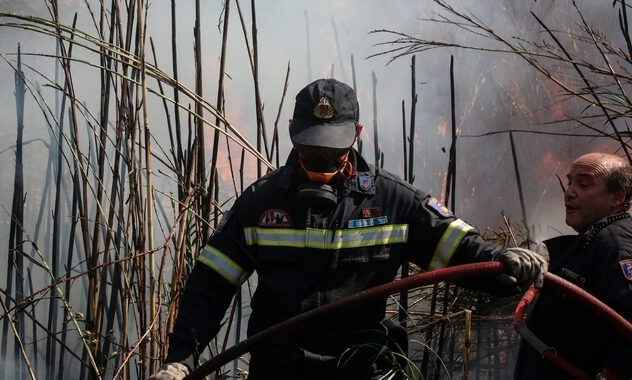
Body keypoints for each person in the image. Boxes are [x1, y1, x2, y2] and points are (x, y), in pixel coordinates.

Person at [150, 78, 548, 380]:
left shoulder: (394, 201)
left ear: (357, 135)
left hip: (362, 368)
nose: (321, 161)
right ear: (293, 133)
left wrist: (503, 262)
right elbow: (210, 284)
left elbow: (460, 250)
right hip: (280, 370)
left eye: (332, 150)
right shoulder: (260, 203)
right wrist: (181, 359)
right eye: (310, 150)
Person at [514, 152, 632, 380]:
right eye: (570, 183)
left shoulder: (616, 245)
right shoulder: (594, 240)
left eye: (584, 185)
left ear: (617, 196)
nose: (569, 193)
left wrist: (610, 375)